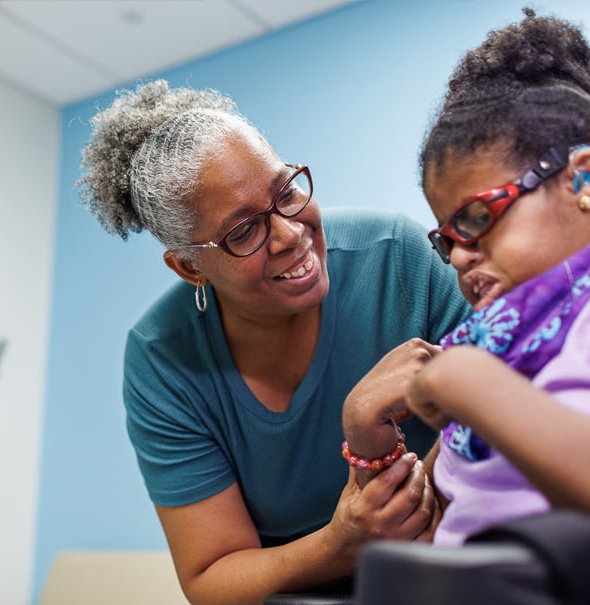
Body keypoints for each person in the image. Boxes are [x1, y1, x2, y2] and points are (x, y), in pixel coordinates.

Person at [76, 80, 471, 603]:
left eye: (286, 192)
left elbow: (509, 402)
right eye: (243, 232)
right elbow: (211, 576)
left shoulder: (398, 258)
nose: (289, 234)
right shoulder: (161, 358)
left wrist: (408, 507)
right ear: (190, 266)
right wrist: (342, 541)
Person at [342, 8, 590, 548]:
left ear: (582, 178)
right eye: (447, 239)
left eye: (476, 218)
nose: (459, 257)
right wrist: (365, 434)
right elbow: (423, 544)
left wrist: (471, 386)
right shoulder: (502, 340)